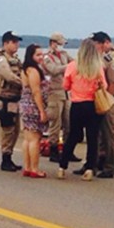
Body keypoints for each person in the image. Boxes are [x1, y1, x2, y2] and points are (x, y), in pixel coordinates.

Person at [58, 38, 107, 181]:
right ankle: (90, 168)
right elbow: (103, 85)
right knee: (92, 138)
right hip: (92, 104)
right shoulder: (97, 67)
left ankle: (62, 166)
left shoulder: (73, 66)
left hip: (77, 104)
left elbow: (65, 85)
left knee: (73, 135)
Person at [91, 31, 114, 178]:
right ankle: (102, 157)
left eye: (98, 44)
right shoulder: (100, 57)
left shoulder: (113, 56)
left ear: (105, 43)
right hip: (101, 98)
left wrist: (107, 100)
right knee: (101, 131)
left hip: (109, 98)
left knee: (112, 130)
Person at [0, 31, 23, 172]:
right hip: (3, 100)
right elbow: (9, 76)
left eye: (17, 42)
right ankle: (5, 159)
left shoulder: (15, 59)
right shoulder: (0, 60)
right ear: (6, 43)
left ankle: (9, 157)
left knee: (15, 131)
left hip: (14, 101)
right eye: (14, 42)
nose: (17, 45)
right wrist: (25, 84)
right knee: (8, 130)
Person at [42, 32, 77, 162]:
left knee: (69, 122)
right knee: (55, 123)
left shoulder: (64, 55)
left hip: (66, 93)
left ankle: (68, 151)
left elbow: (75, 62)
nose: (62, 47)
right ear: (53, 43)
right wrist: (70, 67)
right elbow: (54, 70)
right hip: (54, 93)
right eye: (60, 44)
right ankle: (53, 150)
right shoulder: (47, 57)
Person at [20, 44, 49, 178]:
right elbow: (36, 91)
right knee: (35, 139)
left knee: (27, 138)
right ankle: (34, 168)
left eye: (42, 55)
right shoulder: (33, 71)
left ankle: (27, 166)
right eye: (38, 55)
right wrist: (42, 110)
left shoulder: (25, 69)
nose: (41, 57)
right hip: (33, 105)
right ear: (31, 56)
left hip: (25, 104)